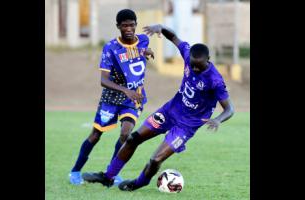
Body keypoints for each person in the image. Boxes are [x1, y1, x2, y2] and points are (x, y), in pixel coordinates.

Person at [82, 24, 234, 191]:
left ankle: (138, 184)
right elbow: (175, 38)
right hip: (169, 111)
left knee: (155, 159)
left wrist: (218, 120)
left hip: (186, 126)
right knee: (133, 139)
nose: (195, 68)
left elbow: (229, 109)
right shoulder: (188, 53)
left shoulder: (215, 80)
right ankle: (108, 177)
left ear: (208, 59)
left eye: (199, 66)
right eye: (192, 64)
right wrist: (161, 28)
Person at [69, 9, 154, 185]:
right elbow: (103, 80)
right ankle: (75, 171)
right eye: (125, 26)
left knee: (126, 134)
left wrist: (145, 52)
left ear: (136, 25)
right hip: (111, 97)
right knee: (95, 135)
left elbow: (138, 50)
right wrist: (125, 90)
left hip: (133, 98)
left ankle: (112, 173)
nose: (129, 28)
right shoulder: (111, 47)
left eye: (132, 25)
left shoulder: (144, 40)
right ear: (118, 27)